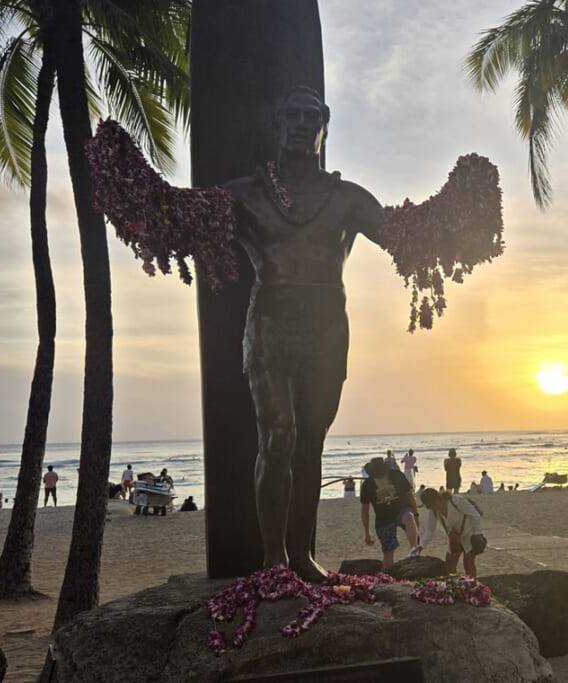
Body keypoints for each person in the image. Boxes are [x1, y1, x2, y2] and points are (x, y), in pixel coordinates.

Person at [219, 86, 385, 579]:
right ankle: (273, 559)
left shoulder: (348, 198)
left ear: (324, 127)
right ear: (277, 125)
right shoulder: (245, 194)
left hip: (327, 324)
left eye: (310, 117)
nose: (300, 124)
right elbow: (181, 221)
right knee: (279, 433)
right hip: (270, 320)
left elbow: (403, 235)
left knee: (311, 441)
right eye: (290, 115)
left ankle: (301, 556)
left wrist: (458, 213)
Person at [360, 456, 419, 570]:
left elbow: (410, 495)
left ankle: (414, 549)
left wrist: (416, 514)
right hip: (383, 519)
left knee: (408, 516)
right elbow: (365, 510)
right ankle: (388, 574)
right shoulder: (368, 484)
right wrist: (367, 532)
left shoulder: (396, 475)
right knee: (388, 552)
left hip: (401, 509)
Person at [415, 488, 485, 578]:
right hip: (455, 538)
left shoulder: (456, 501)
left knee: (468, 562)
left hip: (469, 533)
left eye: (429, 505)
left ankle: (472, 583)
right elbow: (430, 529)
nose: (429, 508)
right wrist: (421, 546)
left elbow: (474, 514)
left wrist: (478, 532)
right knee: (449, 563)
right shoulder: (434, 511)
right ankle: (454, 582)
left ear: (436, 500)